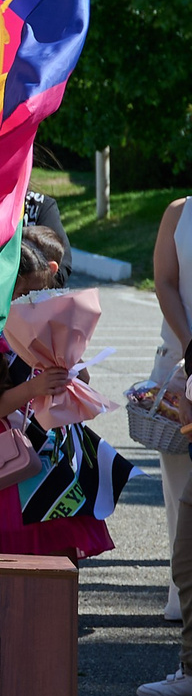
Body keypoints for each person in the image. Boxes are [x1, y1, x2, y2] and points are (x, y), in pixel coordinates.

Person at [0, 225, 115, 563]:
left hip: (51, 452)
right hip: (5, 456)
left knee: (54, 565)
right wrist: (34, 387)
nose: (34, 303)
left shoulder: (48, 317)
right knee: (5, 565)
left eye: (41, 295)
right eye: (28, 294)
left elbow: (82, 378)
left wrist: (68, 358)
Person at [149, 197, 192, 619]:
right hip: (180, 364)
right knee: (178, 491)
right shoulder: (179, 212)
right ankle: (183, 596)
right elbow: (163, 281)